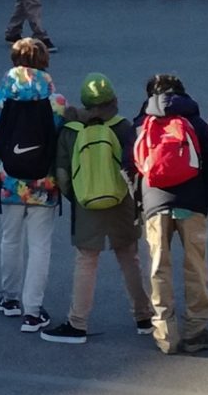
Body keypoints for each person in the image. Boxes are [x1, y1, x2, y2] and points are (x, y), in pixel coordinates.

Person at [42, 72, 153, 344]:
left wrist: (79, 197)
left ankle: (77, 323)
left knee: (86, 260)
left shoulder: (70, 131)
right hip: (120, 202)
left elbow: (62, 174)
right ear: (112, 100)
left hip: (86, 204)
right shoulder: (123, 127)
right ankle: (144, 315)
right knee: (129, 256)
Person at [133, 71, 208, 355]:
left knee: (159, 267)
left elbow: (130, 165)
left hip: (155, 205)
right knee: (195, 266)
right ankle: (196, 330)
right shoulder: (194, 121)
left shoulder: (141, 124)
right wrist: (206, 199)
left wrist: (141, 201)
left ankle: (165, 334)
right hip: (192, 203)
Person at [0, 37, 68, 331]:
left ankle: (10, 298)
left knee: (10, 239)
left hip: (9, 179)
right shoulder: (56, 102)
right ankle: (33, 310)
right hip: (44, 182)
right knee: (40, 245)